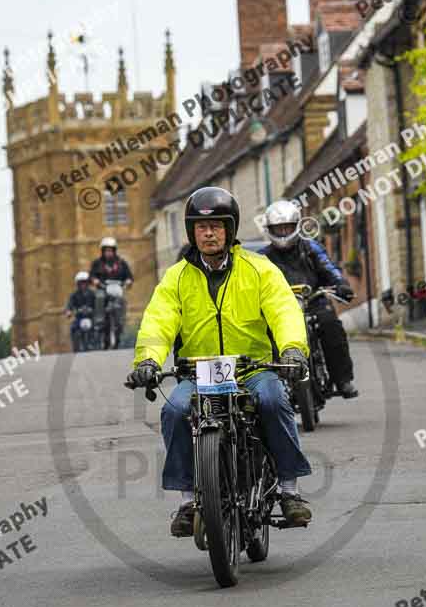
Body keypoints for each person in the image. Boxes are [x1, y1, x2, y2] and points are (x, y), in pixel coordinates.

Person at [127, 186, 313, 537]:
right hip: (198, 372)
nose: (208, 233)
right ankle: (187, 500)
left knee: (274, 400)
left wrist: (291, 350)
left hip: (253, 369)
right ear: (191, 232)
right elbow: (157, 320)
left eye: (216, 226)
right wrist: (148, 361)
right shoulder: (176, 277)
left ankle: (289, 490)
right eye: (200, 227)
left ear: (230, 229)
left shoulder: (260, 269)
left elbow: (284, 310)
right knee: (174, 411)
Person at [261, 200, 358, 399]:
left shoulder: (311, 248)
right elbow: (252, 283)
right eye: (278, 229)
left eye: (287, 227)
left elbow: (329, 267)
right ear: (270, 229)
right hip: (279, 311)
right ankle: (271, 387)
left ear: (296, 226)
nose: (283, 232)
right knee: (263, 337)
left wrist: (340, 284)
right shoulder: (262, 258)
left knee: (332, 326)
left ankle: (342, 379)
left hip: (313, 302)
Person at [65, 271, 96, 351]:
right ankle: (75, 346)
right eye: (81, 283)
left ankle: (96, 343)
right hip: (79, 318)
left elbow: (98, 304)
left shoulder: (92, 294)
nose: (83, 285)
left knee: (98, 327)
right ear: (78, 284)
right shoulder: (74, 295)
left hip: (91, 317)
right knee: (73, 328)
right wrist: (68, 311)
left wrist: (96, 310)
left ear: (88, 283)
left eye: (85, 283)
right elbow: (69, 304)